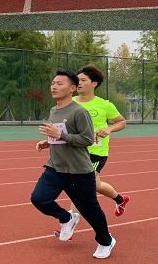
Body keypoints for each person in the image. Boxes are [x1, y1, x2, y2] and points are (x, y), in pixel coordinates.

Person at [31, 71, 116, 259]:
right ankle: (66, 218)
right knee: (39, 199)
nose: (54, 87)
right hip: (55, 167)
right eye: (53, 83)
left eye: (59, 84)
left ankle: (106, 241)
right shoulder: (54, 110)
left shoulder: (80, 112)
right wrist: (49, 141)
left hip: (78, 171)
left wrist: (60, 135)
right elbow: (61, 134)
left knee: (90, 210)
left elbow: (87, 139)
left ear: (72, 88)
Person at [74, 65, 130, 217]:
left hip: (96, 152)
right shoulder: (69, 103)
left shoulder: (105, 105)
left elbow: (121, 122)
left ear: (94, 83)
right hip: (75, 151)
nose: (78, 83)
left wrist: (109, 129)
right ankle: (120, 199)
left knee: (81, 184)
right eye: (77, 80)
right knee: (96, 185)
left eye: (83, 80)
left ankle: (69, 221)